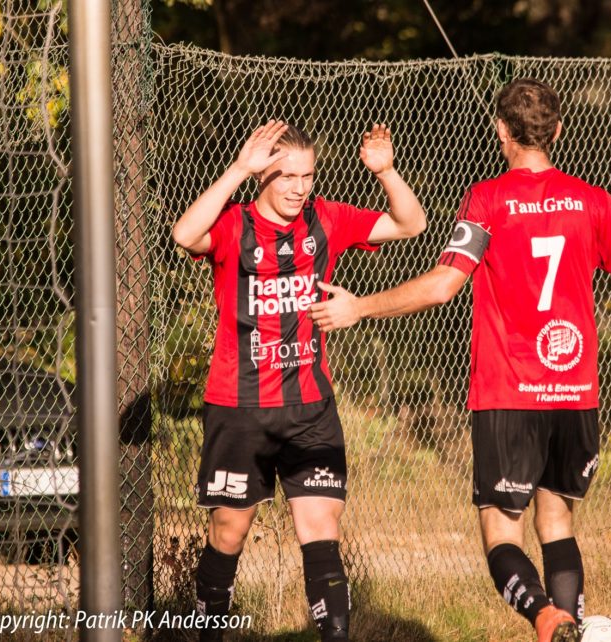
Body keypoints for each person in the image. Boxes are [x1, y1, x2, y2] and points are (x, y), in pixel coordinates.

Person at [309, 78, 611, 642]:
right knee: (556, 522)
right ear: (558, 130)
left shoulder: (488, 199)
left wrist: (360, 307)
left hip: (509, 393)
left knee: (501, 535)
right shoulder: (594, 200)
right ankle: (571, 626)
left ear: (500, 131)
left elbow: (441, 286)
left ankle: (546, 618)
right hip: (574, 392)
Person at [171, 119, 426, 641]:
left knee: (320, 532)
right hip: (238, 406)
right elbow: (184, 234)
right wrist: (238, 169)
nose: (298, 187)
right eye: (287, 176)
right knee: (229, 531)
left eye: (307, 176)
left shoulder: (324, 219)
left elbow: (411, 224)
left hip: (311, 407)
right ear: (263, 175)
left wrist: (387, 172)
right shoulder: (234, 224)